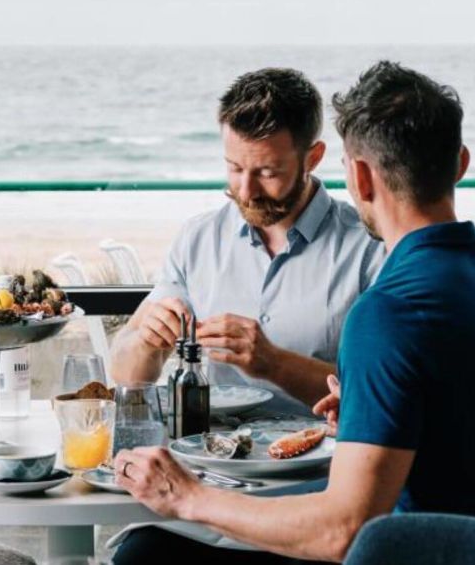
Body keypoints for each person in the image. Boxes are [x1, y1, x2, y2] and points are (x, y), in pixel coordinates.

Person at [111, 61, 475, 563]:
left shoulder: (387, 312)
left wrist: (186, 497)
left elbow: (343, 532)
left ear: (357, 174)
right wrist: (365, 412)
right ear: (460, 163)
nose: (247, 188)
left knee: (145, 553)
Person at [109, 68, 384, 414]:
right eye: (235, 168)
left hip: (325, 464)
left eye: (267, 173)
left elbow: (383, 393)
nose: (246, 191)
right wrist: (147, 343)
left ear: (312, 158)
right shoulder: (198, 239)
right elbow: (125, 373)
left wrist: (274, 363)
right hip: (212, 457)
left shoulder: (370, 248)